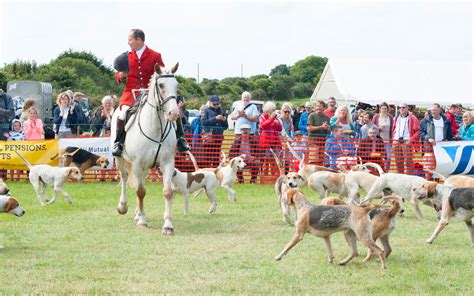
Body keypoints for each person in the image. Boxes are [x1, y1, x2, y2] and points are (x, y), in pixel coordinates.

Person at [112, 28, 190, 156]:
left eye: (130, 40)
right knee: (122, 114)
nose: (128, 43)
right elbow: (118, 74)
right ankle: (118, 143)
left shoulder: (155, 55)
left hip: (151, 94)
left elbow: (163, 74)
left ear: (139, 40)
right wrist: (120, 76)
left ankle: (181, 139)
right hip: (131, 94)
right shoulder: (126, 56)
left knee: (172, 109)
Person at [391, 103, 420, 174]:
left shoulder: (413, 118)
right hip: (397, 142)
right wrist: (393, 139)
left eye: (403, 107)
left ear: (407, 108)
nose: (401, 109)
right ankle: (400, 177)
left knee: (408, 162)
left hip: (406, 142)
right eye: (400, 107)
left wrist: (411, 140)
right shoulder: (396, 117)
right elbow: (394, 129)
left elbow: (418, 131)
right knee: (398, 162)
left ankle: (409, 179)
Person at [201, 95, 228, 167]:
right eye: (214, 104)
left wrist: (224, 120)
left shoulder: (222, 111)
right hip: (209, 137)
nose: (216, 105)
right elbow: (204, 123)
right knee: (208, 157)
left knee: (216, 157)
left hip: (218, 137)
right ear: (210, 103)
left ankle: (216, 174)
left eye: (217, 104)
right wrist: (215, 118)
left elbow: (226, 127)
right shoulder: (206, 110)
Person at [259, 101, 282, 180]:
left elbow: (280, 129)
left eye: (274, 109)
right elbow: (262, 126)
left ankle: (273, 178)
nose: (274, 111)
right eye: (273, 109)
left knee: (273, 160)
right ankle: (264, 178)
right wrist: (271, 119)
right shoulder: (263, 116)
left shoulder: (276, 117)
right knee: (266, 160)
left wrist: (277, 124)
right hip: (266, 142)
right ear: (268, 109)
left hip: (274, 141)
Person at [306, 100, 330, 165]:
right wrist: (321, 127)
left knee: (321, 161)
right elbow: (309, 128)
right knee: (313, 160)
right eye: (317, 106)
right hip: (313, 141)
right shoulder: (312, 115)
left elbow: (329, 131)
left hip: (322, 141)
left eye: (320, 106)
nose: (318, 108)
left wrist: (327, 128)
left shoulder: (326, 117)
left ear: (324, 108)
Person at [373, 102, 394, 171]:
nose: (384, 110)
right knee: (378, 157)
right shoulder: (376, 117)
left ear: (387, 109)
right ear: (380, 109)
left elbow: (393, 128)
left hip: (387, 141)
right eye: (382, 108)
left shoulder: (390, 117)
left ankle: (386, 171)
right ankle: (379, 171)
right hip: (378, 142)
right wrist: (379, 128)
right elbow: (372, 127)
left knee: (388, 158)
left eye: (385, 108)